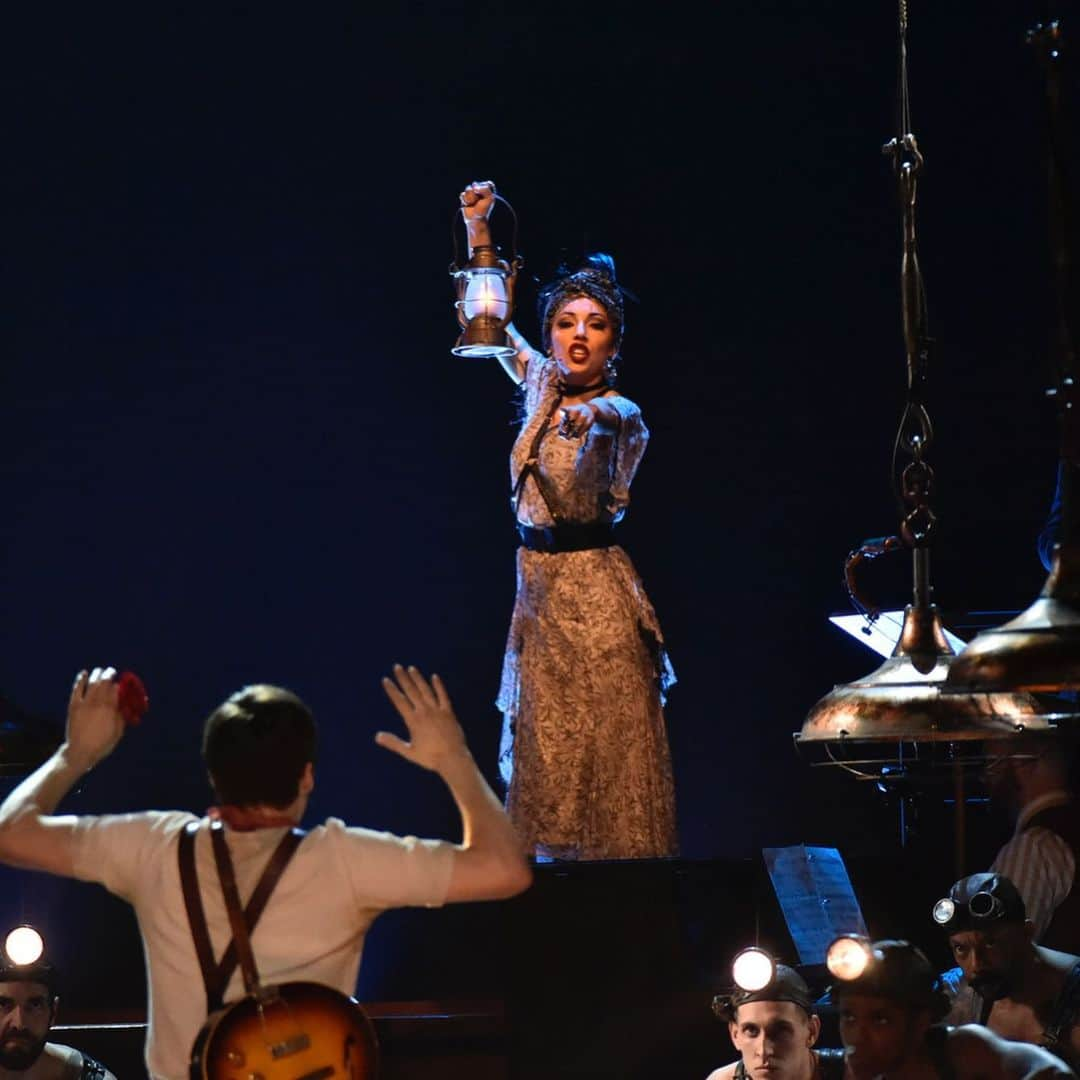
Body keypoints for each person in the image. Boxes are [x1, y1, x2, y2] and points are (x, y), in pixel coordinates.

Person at [0, 664, 532, 1080]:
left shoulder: (152, 848)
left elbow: (9, 832)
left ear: (212, 776)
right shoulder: (344, 861)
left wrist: (76, 752)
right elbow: (506, 870)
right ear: (307, 778)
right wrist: (454, 757)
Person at [458, 178, 678, 861]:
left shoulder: (618, 411)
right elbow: (487, 327)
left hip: (598, 601)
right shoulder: (540, 386)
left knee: (609, 770)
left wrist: (593, 412)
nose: (579, 336)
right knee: (547, 766)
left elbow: (622, 415)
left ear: (615, 344)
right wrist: (479, 233)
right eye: (566, 322)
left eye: (596, 325)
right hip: (541, 600)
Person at [831, 937, 1072, 1080]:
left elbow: (1049, 1070)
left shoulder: (957, 1051)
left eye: (880, 1020)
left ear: (920, 1021)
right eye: (849, 1017)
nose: (858, 1036)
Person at [935, 872, 1080, 1071]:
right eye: (961, 949)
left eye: (990, 943)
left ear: (1027, 933)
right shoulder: (957, 992)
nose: (976, 964)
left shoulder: (1073, 991)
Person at [982, 735, 1080, 952]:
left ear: (1021, 761)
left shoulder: (1034, 847)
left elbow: (999, 960)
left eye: (991, 762)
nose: (985, 778)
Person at [707, 962, 842, 1080]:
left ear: (811, 1031)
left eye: (781, 1031)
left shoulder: (855, 1073)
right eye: (751, 1030)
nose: (764, 1051)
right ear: (735, 1034)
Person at [0, 955, 115, 1079]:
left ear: (53, 1011)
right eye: (2, 1004)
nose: (19, 1023)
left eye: (35, 1005)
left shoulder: (87, 1076)